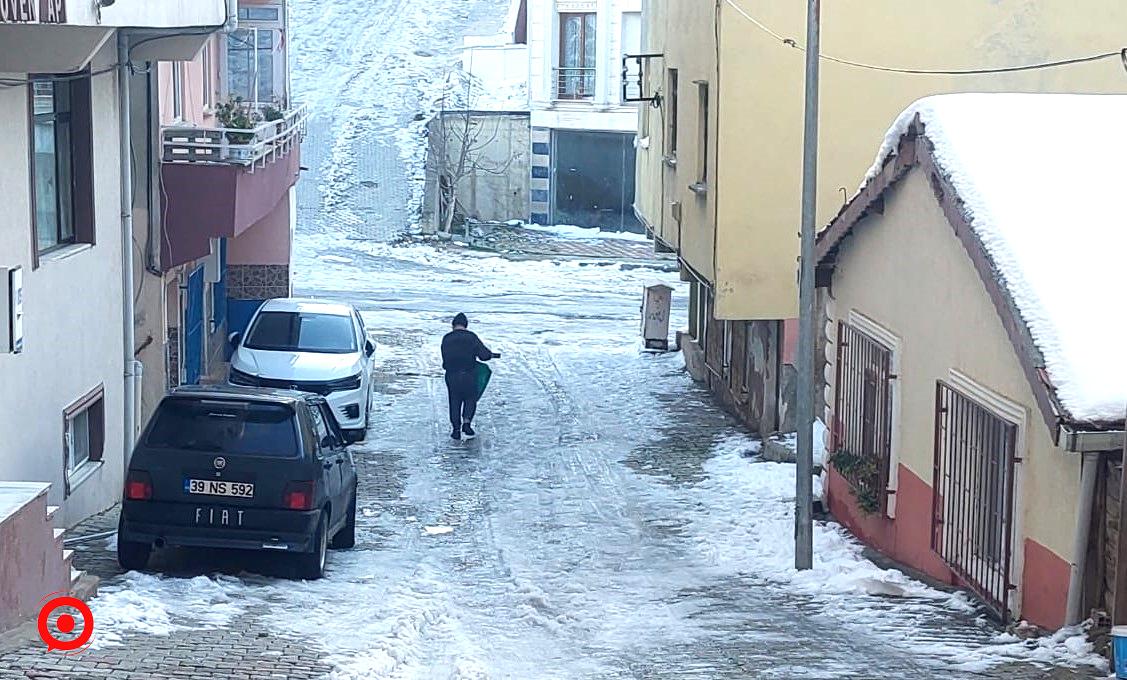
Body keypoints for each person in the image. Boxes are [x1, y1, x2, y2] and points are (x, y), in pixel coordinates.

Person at [441, 313, 499, 440]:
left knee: (454, 400)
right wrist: (491, 355)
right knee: (470, 398)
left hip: (451, 375)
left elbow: (445, 357)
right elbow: (483, 355)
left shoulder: (446, 338)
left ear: (453, 325)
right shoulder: (471, 337)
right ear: (466, 325)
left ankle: (456, 429)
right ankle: (467, 422)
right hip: (468, 374)